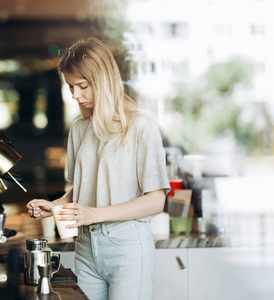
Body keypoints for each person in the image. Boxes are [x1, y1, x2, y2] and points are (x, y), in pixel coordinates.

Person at [26, 37, 170, 300]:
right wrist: (57, 206)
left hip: (127, 247)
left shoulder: (140, 127)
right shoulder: (79, 129)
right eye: (70, 86)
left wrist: (95, 214)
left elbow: (155, 201)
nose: (74, 95)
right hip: (86, 246)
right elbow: (83, 188)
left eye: (82, 86)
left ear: (103, 80)